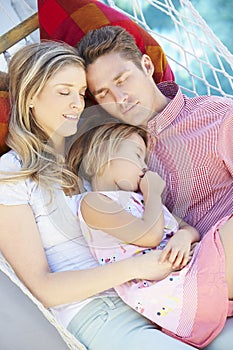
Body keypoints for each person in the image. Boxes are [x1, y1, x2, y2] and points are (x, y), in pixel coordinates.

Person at [0, 41, 198, 350]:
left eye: (81, 93)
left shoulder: (93, 156)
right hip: (101, 314)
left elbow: (160, 215)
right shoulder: (12, 174)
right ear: (30, 97)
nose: (78, 105)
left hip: (163, 295)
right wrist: (139, 266)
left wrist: (184, 237)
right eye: (64, 92)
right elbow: (43, 288)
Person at [67, 121, 232, 348]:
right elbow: (150, 236)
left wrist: (182, 238)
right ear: (102, 153)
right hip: (177, 291)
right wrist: (153, 193)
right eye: (137, 156)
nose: (144, 168)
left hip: (193, 267)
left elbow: (188, 229)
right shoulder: (94, 203)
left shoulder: (142, 200)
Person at [76, 25, 233, 238]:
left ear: (147, 66)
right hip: (180, 264)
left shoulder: (218, 116)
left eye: (122, 80)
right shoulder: (113, 152)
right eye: (104, 94)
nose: (119, 98)